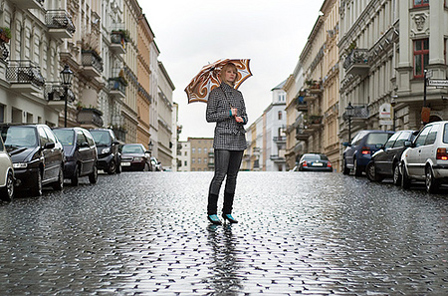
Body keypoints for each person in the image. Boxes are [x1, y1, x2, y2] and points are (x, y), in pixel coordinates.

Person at [206, 63, 248, 225]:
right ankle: (211, 212)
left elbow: (245, 115)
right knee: (220, 175)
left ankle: (227, 212)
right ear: (221, 75)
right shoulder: (215, 93)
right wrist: (229, 113)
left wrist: (241, 119)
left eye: (234, 72)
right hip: (222, 137)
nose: (232, 74)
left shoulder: (239, 94)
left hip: (238, 138)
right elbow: (209, 116)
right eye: (229, 72)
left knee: (233, 177)